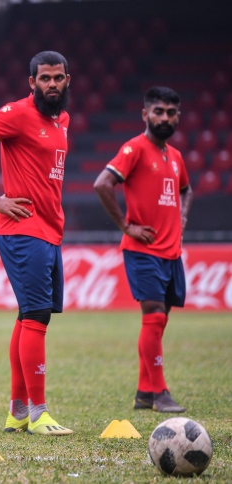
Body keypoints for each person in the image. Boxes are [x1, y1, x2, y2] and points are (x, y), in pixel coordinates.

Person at [0, 51, 73, 436]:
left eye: (58, 77)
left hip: (49, 229)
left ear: (67, 80)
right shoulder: (16, 113)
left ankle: (18, 412)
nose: (52, 84)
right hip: (22, 228)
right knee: (36, 315)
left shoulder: (62, 120)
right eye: (45, 78)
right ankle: (38, 413)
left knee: (29, 315)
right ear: (32, 82)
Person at [94, 86, 192, 413]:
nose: (165, 118)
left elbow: (187, 190)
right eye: (158, 111)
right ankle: (160, 392)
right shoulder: (134, 148)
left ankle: (144, 393)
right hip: (143, 249)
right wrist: (126, 226)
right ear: (145, 114)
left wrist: (182, 215)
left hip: (171, 251)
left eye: (171, 113)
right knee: (154, 314)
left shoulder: (175, 157)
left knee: (158, 322)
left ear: (178, 116)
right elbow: (102, 183)